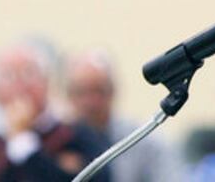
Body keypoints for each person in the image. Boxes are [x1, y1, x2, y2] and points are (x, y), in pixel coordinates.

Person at [0, 43, 109, 182]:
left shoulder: (74, 136)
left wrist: (24, 144)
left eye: (29, 73)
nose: (20, 86)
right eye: (8, 76)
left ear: (46, 82)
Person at [65, 51, 184, 182]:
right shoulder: (58, 144)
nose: (90, 103)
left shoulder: (144, 141)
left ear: (113, 91)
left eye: (98, 91)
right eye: (81, 93)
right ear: (68, 95)